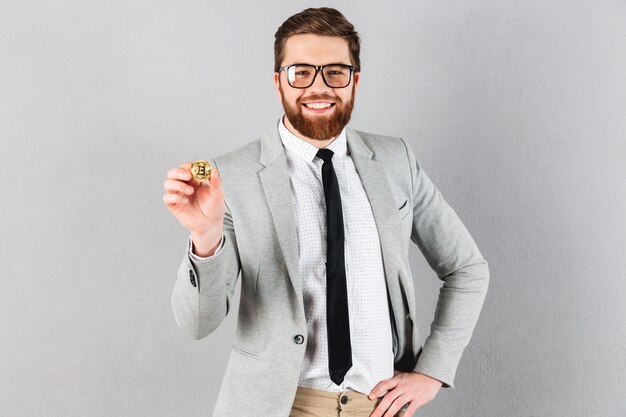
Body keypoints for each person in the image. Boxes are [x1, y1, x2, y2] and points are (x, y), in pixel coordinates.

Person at [162, 7, 489, 417]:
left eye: (335, 72)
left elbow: (467, 269)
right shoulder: (231, 177)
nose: (319, 87)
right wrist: (205, 236)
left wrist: (433, 371)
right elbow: (197, 323)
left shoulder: (395, 160)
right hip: (281, 407)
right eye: (301, 72)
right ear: (278, 81)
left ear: (355, 80)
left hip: (379, 407)